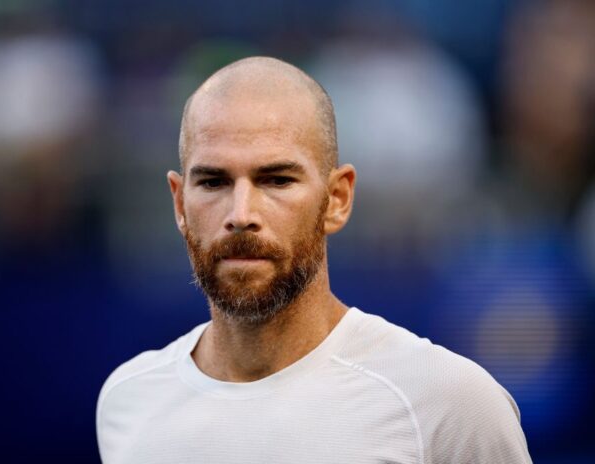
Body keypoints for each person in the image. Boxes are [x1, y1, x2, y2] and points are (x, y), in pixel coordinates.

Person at [96, 56, 532, 464]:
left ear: (337, 199)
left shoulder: (447, 403)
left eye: (277, 180)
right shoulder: (129, 401)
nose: (241, 215)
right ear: (179, 204)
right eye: (213, 182)